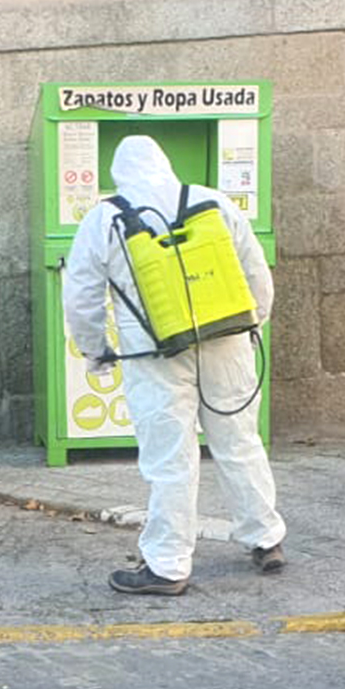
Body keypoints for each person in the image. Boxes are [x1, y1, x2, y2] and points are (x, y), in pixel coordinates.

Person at [63, 135, 286, 596]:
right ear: (166, 164)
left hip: (155, 355)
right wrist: (252, 326)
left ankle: (167, 565)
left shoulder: (105, 218)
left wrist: (96, 350)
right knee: (240, 442)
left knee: (170, 458)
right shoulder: (214, 202)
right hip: (228, 342)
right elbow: (256, 275)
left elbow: (82, 297)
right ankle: (265, 538)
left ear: (118, 174)